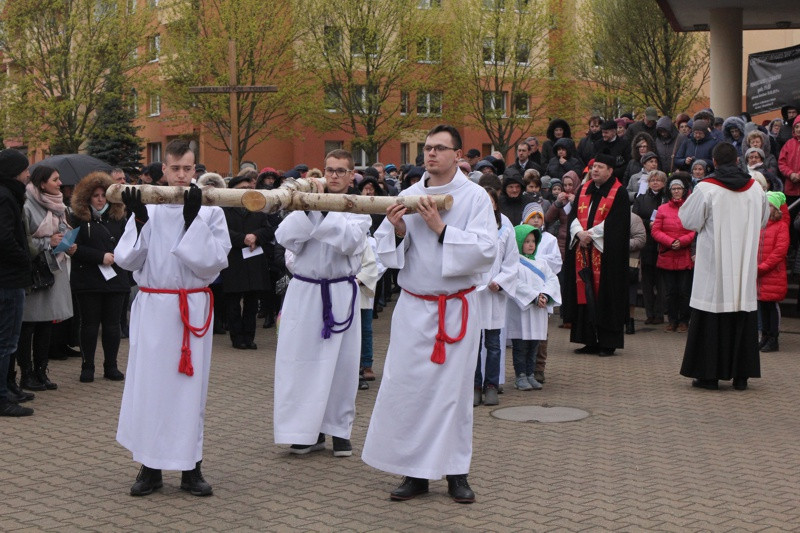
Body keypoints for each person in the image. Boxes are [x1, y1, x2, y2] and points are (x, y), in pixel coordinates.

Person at [362, 124, 495, 504]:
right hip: (415, 306)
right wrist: (400, 229)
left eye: (439, 148)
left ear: (458, 155)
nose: (430, 154)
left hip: (455, 308)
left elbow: (487, 251)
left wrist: (441, 230)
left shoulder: (475, 198)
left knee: (452, 395)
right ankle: (415, 472)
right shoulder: (408, 194)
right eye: (426, 148)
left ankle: (456, 473)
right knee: (409, 390)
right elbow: (386, 252)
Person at [115, 139, 231, 496]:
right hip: (154, 306)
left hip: (191, 307)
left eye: (188, 169)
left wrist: (193, 221)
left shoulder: (210, 208)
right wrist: (138, 220)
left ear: (196, 170)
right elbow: (126, 260)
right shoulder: (148, 204)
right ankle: (149, 468)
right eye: (175, 169)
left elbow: (214, 263)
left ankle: (190, 469)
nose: (182, 176)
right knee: (150, 388)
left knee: (188, 392)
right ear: (163, 170)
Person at [273, 149, 370, 458]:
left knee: (342, 365)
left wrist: (324, 212)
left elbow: (349, 243)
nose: (334, 176)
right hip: (305, 292)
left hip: (340, 292)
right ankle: (305, 431)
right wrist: (310, 208)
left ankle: (338, 429)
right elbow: (285, 238)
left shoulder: (360, 209)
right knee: (301, 362)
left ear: (352, 174)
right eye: (330, 170)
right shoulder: (305, 202)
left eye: (341, 170)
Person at [678, 142, 768, 391]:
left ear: (714, 163)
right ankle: (741, 376)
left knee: (711, 314)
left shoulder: (707, 188)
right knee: (742, 312)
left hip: (714, 266)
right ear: (738, 161)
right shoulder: (755, 189)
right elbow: (763, 220)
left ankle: (709, 376)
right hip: (743, 265)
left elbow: (688, 219)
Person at [563, 153, 630, 356]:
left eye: (600, 167)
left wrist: (591, 235)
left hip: (605, 254)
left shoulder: (619, 192)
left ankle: (607, 342)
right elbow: (574, 215)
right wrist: (579, 234)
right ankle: (588, 340)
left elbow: (616, 224)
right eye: (594, 167)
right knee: (584, 292)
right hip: (583, 250)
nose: (595, 170)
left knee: (606, 295)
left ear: (610, 170)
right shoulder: (584, 188)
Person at [16, 165, 75, 392]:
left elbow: (63, 230)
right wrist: (47, 242)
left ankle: (42, 371)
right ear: (42, 184)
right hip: (35, 273)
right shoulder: (28, 204)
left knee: (46, 324)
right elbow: (24, 239)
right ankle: (26, 374)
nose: (60, 183)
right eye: (55, 179)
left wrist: (68, 243)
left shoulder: (60, 205)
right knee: (28, 324)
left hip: (54, 269)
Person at [69, 171, 128, 382]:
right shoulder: (76, 218)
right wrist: (99, 256)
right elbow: (72, 248)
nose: (100, 199)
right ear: (87, 197)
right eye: (95, 195)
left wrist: (117, 256)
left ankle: (111, 365)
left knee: (113, 325)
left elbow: (129, 243)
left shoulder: (120, 217)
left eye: (104, 194)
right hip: (88, 278)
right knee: (89, 324)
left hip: (116, 278)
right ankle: (88, 366)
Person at [474, 188, 517, 407]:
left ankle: (491, 385)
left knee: (493, 343)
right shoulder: (471, 228)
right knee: (473, 343)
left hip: (493, 294)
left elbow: (512, 262)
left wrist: (500, 282)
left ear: (496, 205)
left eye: (490, 201)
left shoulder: (505, 230)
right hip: (474, 294)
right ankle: (475, 385)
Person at [221, 172, 274, 350]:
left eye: (249, 188)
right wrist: (243, 238)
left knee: (251, 304)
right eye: (242, 189)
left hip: (253, 262)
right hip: (234, 262)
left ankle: (249, 337)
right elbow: (222, 232)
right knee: (234, 303)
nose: (247, 192)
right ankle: (237, 338)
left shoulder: (257, 208)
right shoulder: (224, 210)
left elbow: (268, 230)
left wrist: (255, 236)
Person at [0, 149, 35, 416]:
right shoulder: (5, 197)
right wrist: (25, 258)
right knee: (7, 342)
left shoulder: (9, 194)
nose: (28, 174)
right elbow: (5, 239)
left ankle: (7, 388)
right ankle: (2, 398)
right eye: (25, 169)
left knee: (8, 341)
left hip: (10, 277)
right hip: (8, 279)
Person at [507, 224, 560, 391]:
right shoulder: (513, 264)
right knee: (521, 346)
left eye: (533, 241)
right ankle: (520, 375)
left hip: (538, 311)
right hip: (522, 311)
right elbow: (515, 283)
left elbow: (552, 280)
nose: (531, 245)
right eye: (527, 241)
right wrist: (534, 296)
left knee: (534, 345)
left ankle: (530, 373)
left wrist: (545, 295)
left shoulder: (542, 262)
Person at [651, 176, 695, 332]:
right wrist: (670, 242)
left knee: (684, 291)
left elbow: (694, 230)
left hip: (684, 254)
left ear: (684, 191)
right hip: (667, 254)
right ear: (669, 191)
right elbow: (655, 230)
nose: (676, 191)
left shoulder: (690, 208)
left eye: (679, 189)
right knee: (670, 292)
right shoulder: (662, 209)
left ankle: (684, 320)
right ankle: (672, 320)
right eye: (674, 189)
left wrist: (682, 241)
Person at [632, 170, 668, 325]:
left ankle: (660, 313)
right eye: (652, 180)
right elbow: (636, 218)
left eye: (658, 180)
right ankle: (649, 313)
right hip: (647, 243)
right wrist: (648, 224)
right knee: (647, 282)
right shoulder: (641, 198)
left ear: (664, 183)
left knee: (661, 282)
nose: (655, 182)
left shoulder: (667, 199)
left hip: (663, 245)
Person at [756, 192, 789, 353]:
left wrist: (763, 267)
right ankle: (765, 336)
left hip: (772, 273)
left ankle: (773, 338)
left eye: (769, 205)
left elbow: (779, 252)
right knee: (762, 306)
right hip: (760, 274)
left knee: (772, 307)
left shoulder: (781, 226)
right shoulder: (760, 225)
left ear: (775, 208)